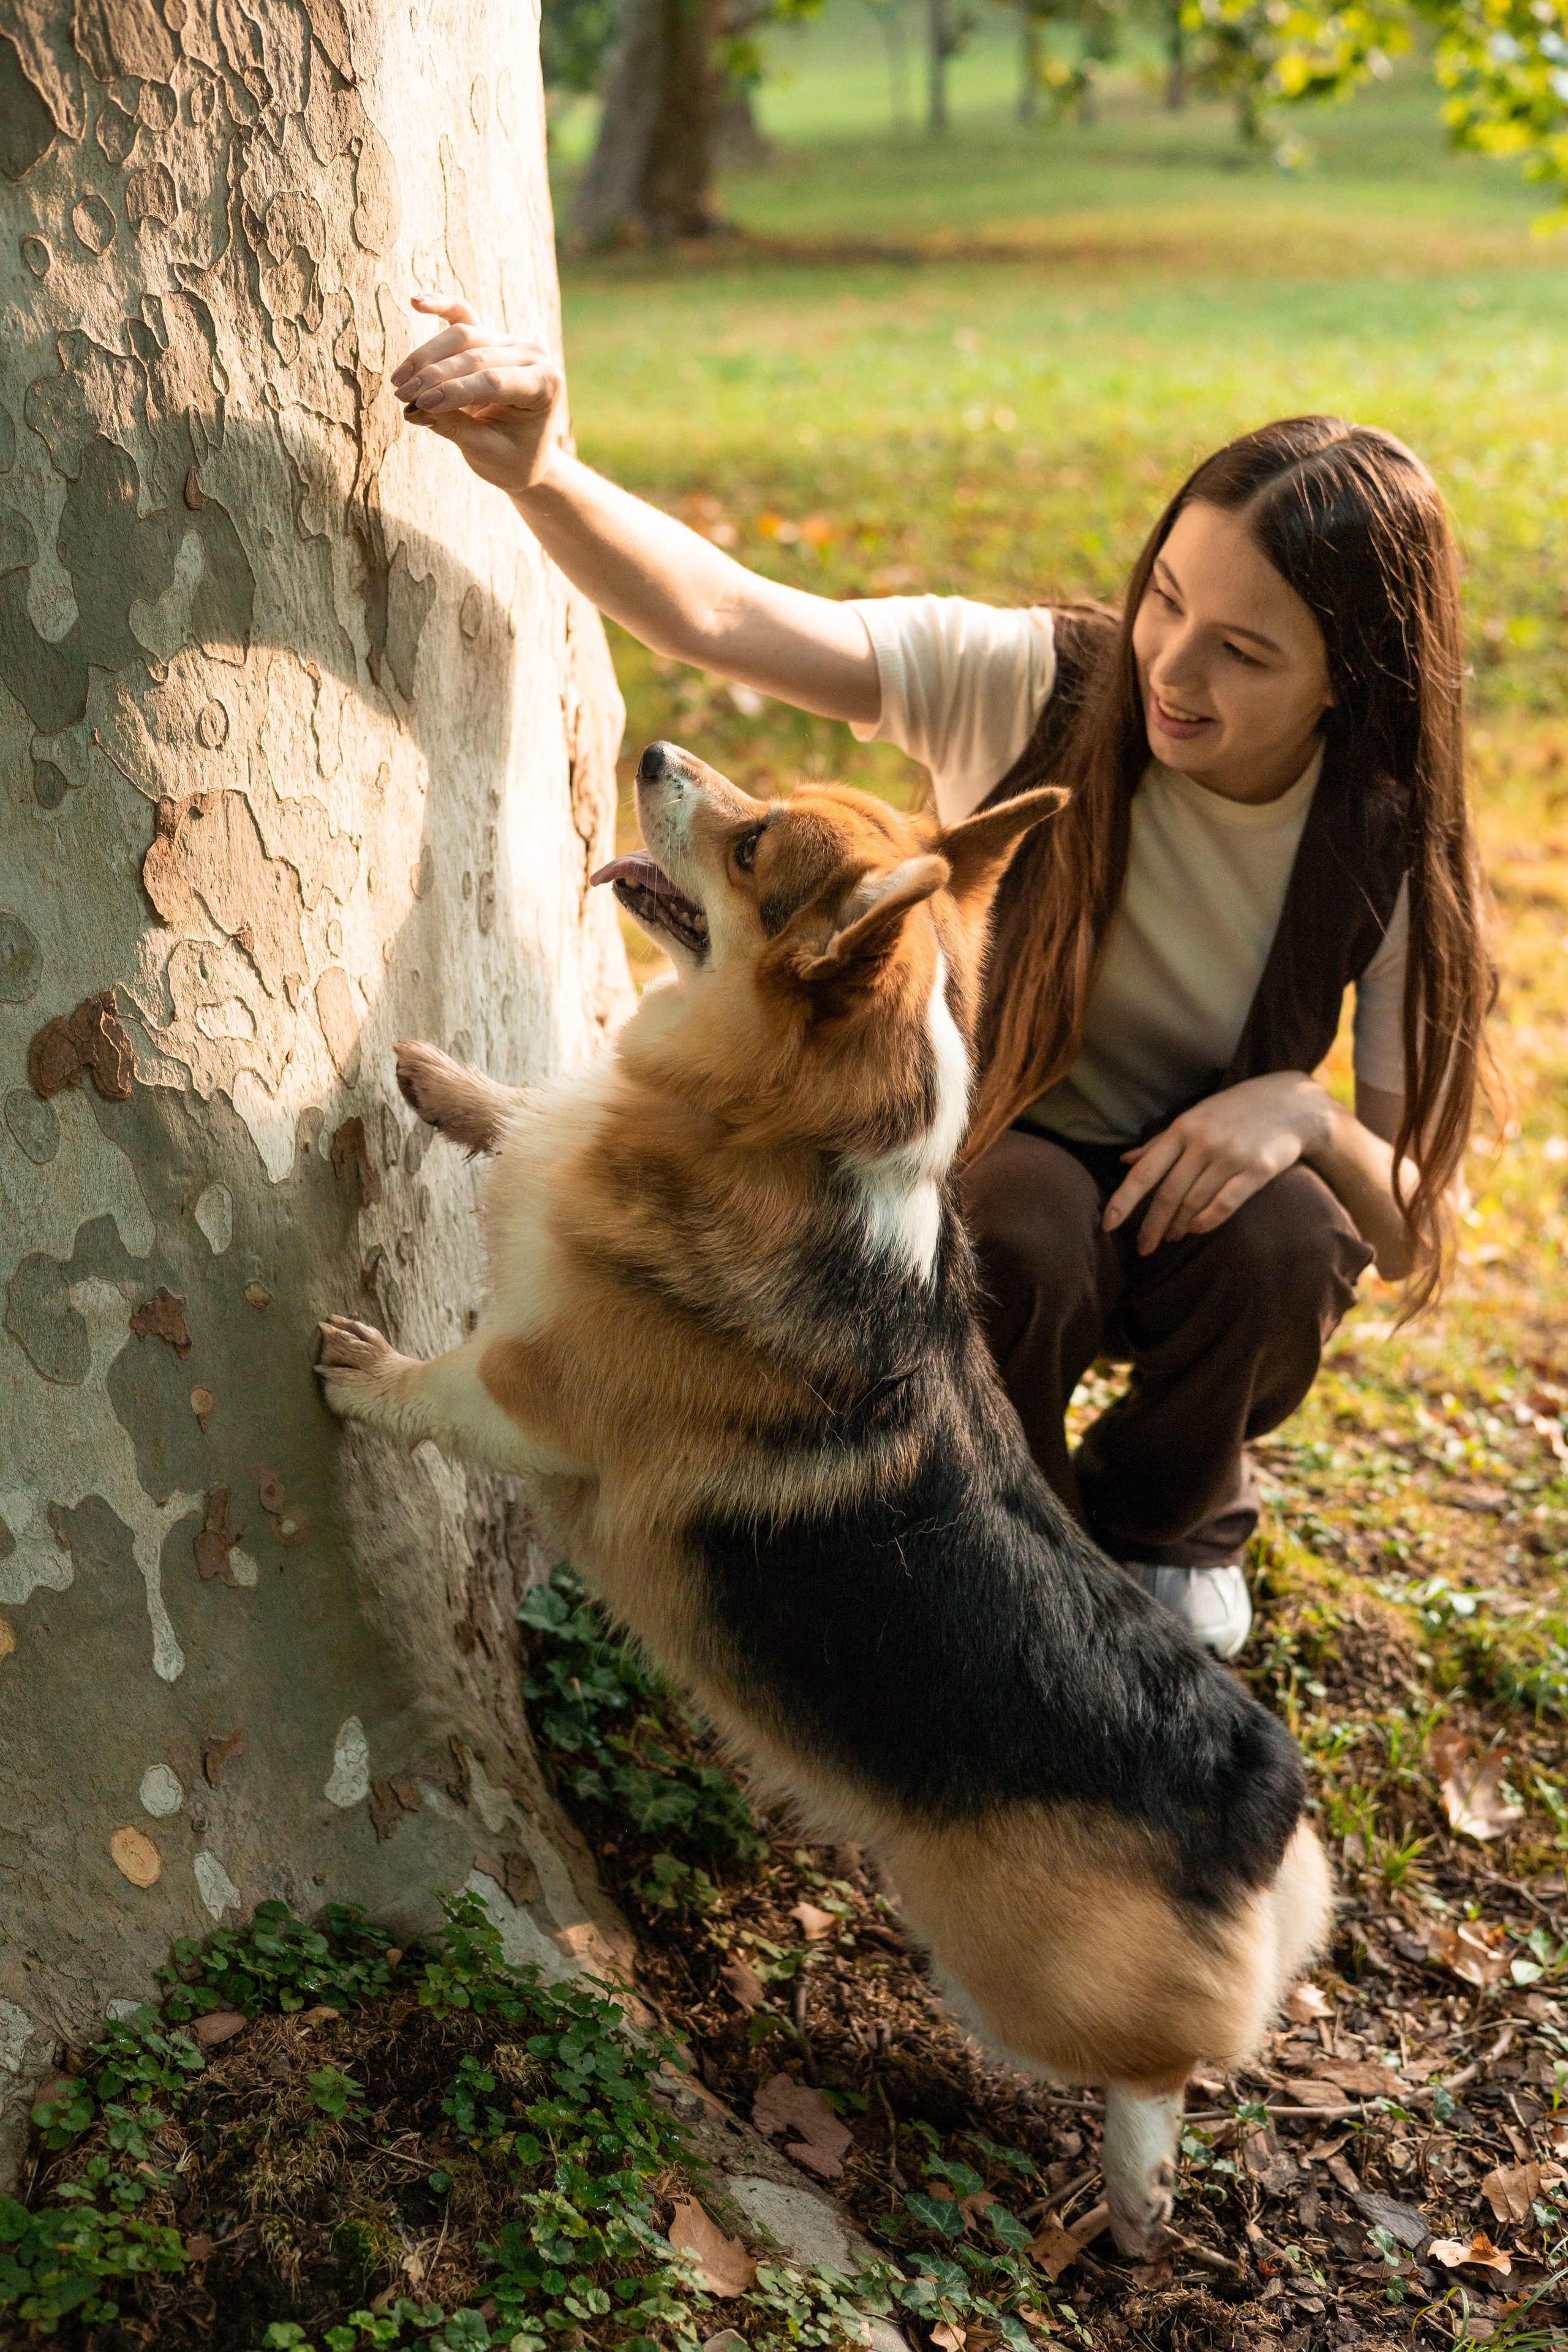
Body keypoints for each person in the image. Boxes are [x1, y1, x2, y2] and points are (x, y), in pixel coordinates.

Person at [390, 297, 1493, 1659]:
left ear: (1348, 681)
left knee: (1290, 1240)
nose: (1171, 666)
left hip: (1189, 1231)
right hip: (961, 1208)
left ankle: (1169, 1521)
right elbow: (727, 615)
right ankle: (1004, 1524)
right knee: (1023, 1219)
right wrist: (544, 469)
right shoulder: (1035, 684)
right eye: (1165, 598)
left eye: (1245, 651)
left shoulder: (1384, 846)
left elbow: (1410, 1228)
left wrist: (1305, 1115)